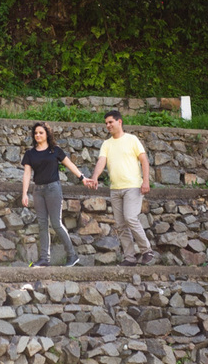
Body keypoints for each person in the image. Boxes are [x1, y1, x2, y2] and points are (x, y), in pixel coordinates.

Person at [84, 110, 156, 266]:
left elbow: (144, 160)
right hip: (115, 189)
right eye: (106, 123)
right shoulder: (106, 144)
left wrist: (146, 181)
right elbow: (101, 161)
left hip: (133, 187)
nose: (108, 125)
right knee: (121, 225)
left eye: (110, 122)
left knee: (130, 218)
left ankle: (147, 250)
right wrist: (95, 177)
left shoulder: (132, 139)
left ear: (119, 122)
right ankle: (130, 257)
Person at [21, 121, 85, 267]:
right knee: (42, 224)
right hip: (38, 191)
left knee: (56, 223)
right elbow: (26, 174)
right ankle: (45, 259)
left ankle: (72, 255)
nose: (38, 135)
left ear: (47, 134)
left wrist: (82, 178)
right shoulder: (30, 154)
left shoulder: (54, 150)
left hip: (53, 189)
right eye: (36, 133)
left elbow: (70, 165)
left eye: (41, 133)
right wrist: (25, 193)